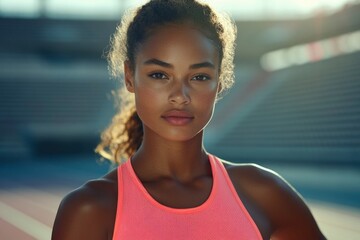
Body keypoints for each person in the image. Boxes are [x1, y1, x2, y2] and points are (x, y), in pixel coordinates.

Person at [52, 0, 327, 239]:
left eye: (199, 77)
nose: (180, 96)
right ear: (129, 77)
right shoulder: (90, 210)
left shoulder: (264, 193)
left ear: (220, 82)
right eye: (159, 75)